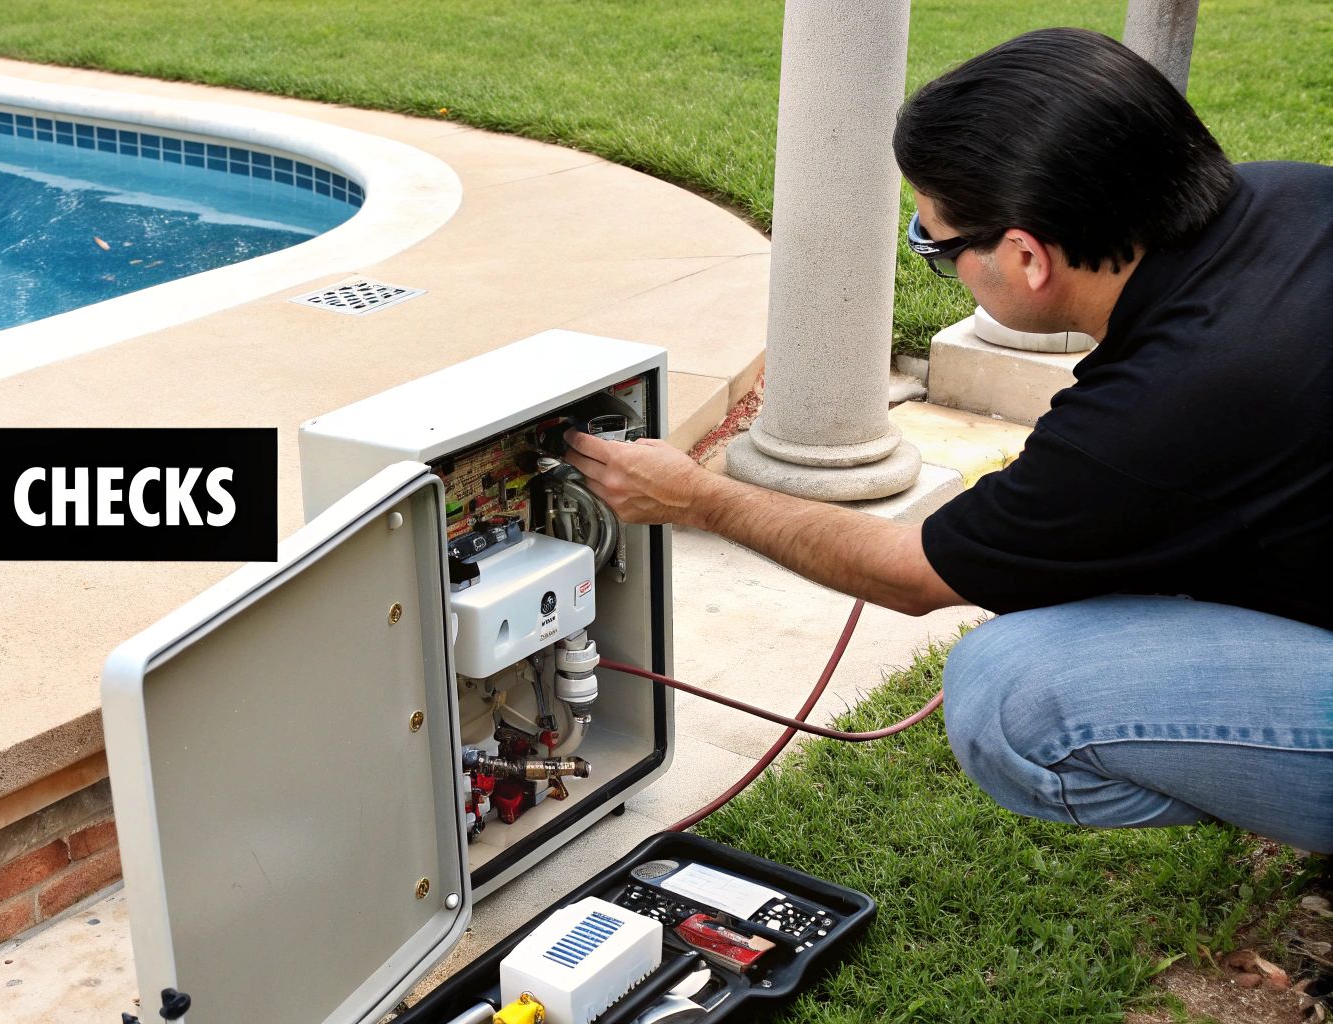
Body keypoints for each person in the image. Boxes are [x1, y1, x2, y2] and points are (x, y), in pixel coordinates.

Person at [561, 27, 1332, 853]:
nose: (934, 257)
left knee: (1008, 696)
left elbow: (914, 574)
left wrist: (697, 497)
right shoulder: (1294, 195)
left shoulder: (1158, 415)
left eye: (935, 245)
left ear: (1026, 256)